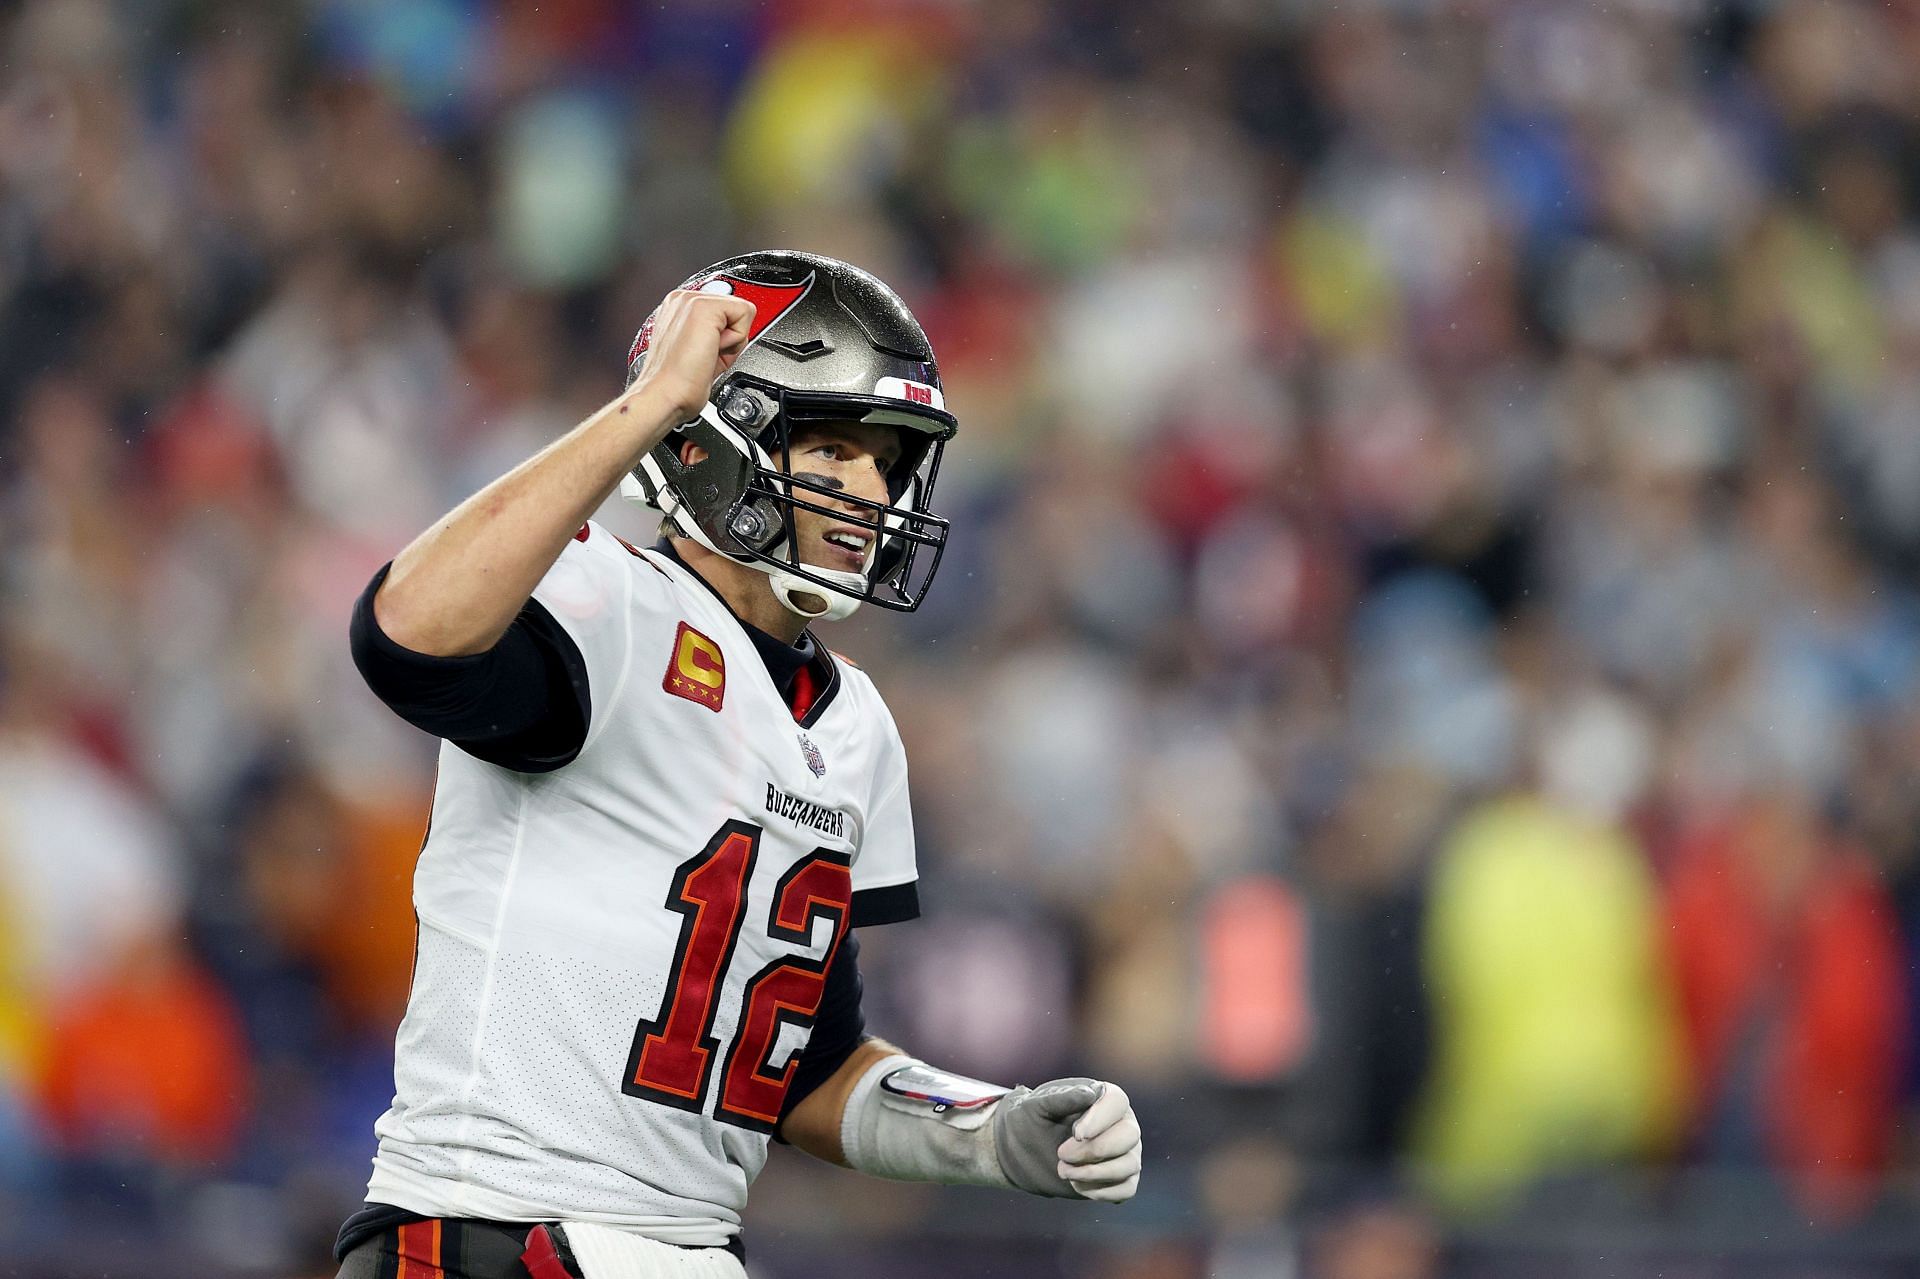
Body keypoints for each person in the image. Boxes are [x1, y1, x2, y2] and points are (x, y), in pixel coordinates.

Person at [336, 251, 1142, 1279]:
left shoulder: (854, 725)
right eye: (837, 448)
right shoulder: (608, 603)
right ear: (713, 438)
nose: (874, 489)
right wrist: (646, 407)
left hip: (686, 1250)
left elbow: (808, 1070)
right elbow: (402, 634)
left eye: (890, 460)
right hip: (495, 1226)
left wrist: (990, 1130)